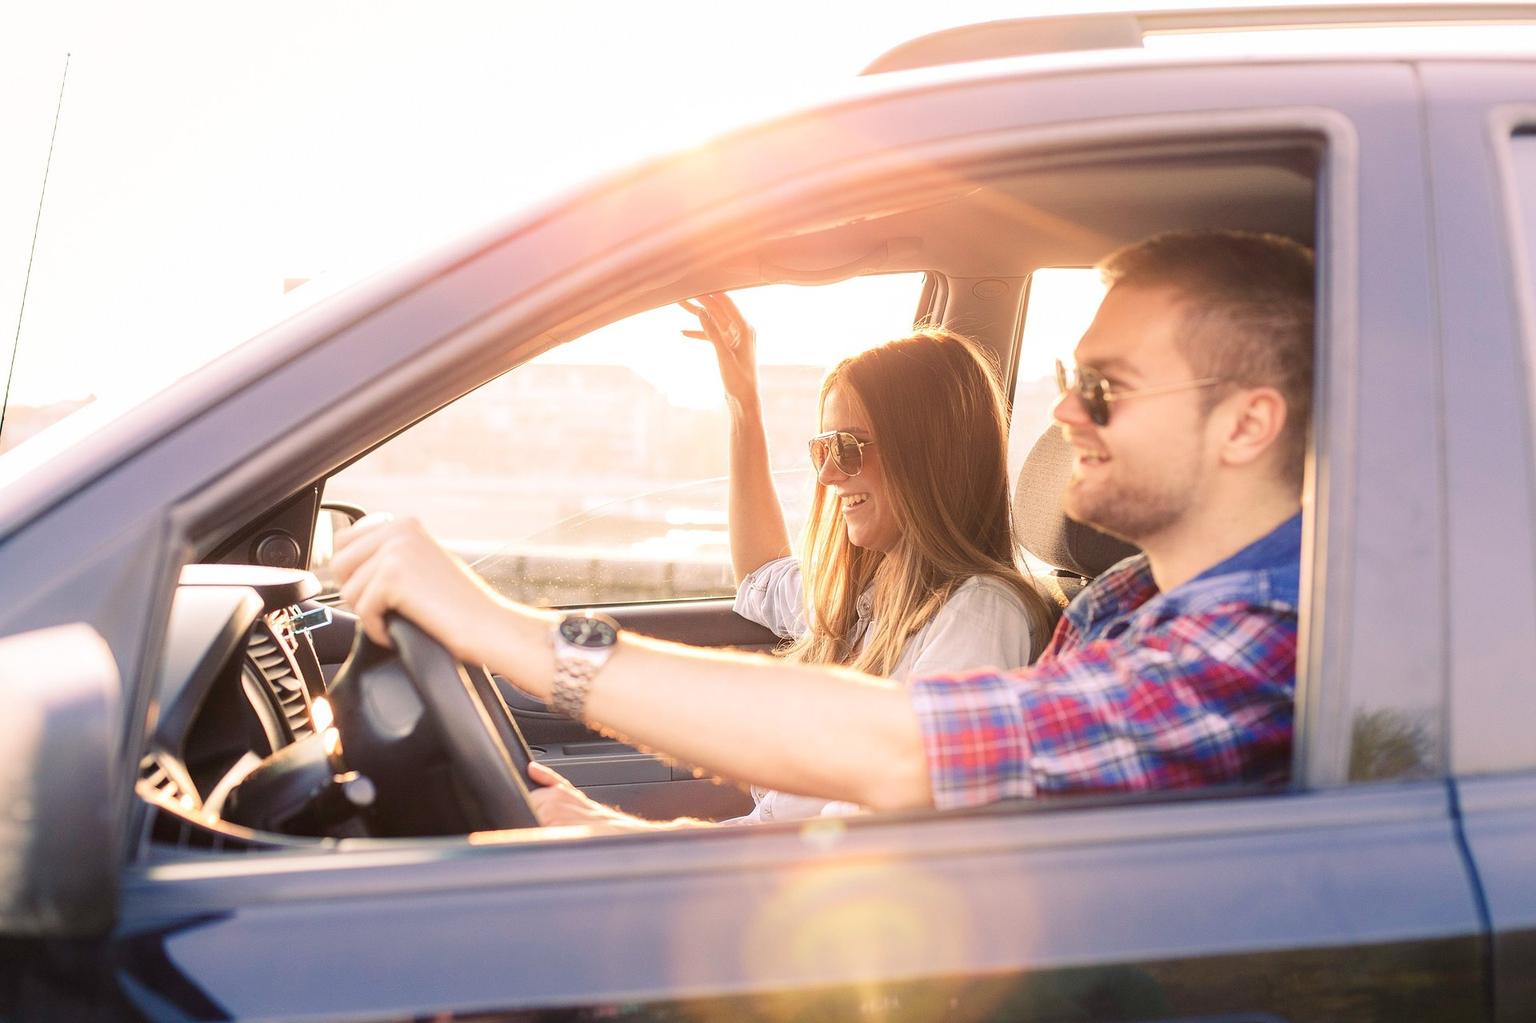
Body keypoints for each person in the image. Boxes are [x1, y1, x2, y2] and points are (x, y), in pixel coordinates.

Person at [331, 228, 1312, 818]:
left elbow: (907, 752)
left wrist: (503, 627)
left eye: (1104, 387)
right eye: (1067, 379)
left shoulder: (1265, 644)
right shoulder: (1125, 598)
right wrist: (631, 839)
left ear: (1247, 424)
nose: (1060, 414)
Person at [528, 298, 1054, 831]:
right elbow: (761, 574)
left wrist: (633, 837)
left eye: (848, 447)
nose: (828, 475)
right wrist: (743, 402)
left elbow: (876, 838)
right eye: (824, 447)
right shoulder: (869, 593)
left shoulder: (978, 616)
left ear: (928, 454)